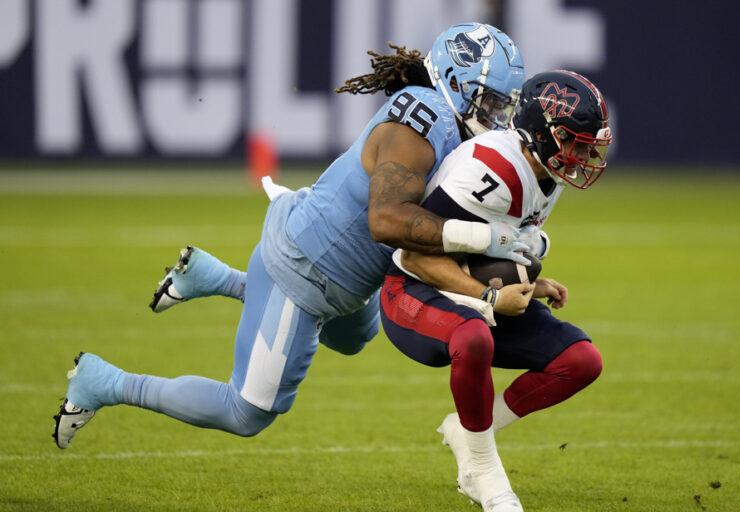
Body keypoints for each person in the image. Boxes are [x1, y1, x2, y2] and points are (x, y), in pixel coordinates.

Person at [52, 23, 532, 451]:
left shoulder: (449, 126)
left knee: (355, 336)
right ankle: (106, 382)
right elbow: (386, 221)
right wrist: (491, 241)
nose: (496, 117)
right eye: (490, 102)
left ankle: (209, 276)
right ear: (454, 85)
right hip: (307, 267)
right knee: (247, 412)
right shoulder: (423, 124)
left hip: (340, 269)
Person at [377, 70, 613, 511]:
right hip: (409, 291)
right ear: (541, 134)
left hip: (463, 288)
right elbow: (414, 256)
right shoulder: (491, 168)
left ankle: (467, 428)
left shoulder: (545, 170)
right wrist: (488, 299)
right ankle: (483, 471)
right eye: (574, 142)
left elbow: (495, 248)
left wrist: (528, 282)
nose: (582, 155)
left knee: (580, 361)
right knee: (473, 335)